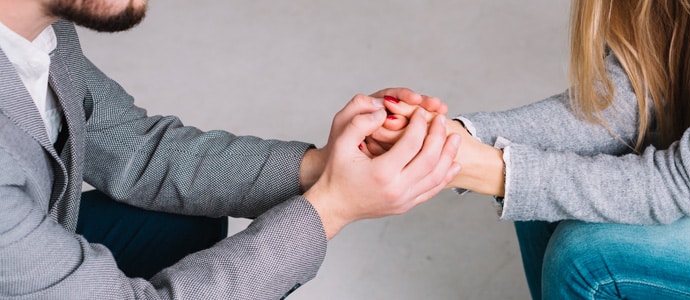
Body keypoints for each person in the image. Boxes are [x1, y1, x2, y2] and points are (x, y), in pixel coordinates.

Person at [0, 0, 461, 299]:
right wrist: (332, 208)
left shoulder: (33, 31)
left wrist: (322, 166)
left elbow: (139, 150)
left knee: (181, 224)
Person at [370, 0, 690, 298]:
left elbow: (679, 182)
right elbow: (627, 102)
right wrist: (452, 136)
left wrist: (488, 169)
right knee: (542, 196)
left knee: (585, 254)